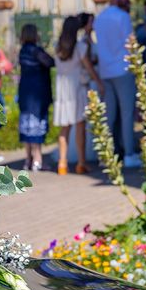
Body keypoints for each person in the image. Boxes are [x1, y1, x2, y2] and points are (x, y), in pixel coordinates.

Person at [94, 0, 141, 168]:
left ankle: (109, 154)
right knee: (127, 113)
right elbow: (131, 43)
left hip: (106, 70)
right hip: (122, 69)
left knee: (110, 115)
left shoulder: (101, 18)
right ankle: (128, 154)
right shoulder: (122, 17)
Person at [54, 16, 103, 175]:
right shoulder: (80, 47)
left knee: (64, 129)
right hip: (77, 89)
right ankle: (81, 163)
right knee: (80, 127)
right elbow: (89, 68)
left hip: (62, 90)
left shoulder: (57, 47)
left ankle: (62, 163)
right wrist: (99, 83)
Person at [17, 24, 54, 171]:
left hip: (25, 91)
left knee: (26, 126)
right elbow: (50, 62)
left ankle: (28, 159)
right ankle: (37, 160)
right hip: (37, 93)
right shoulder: (35, 51)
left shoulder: (22, 51)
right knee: (37, 126)